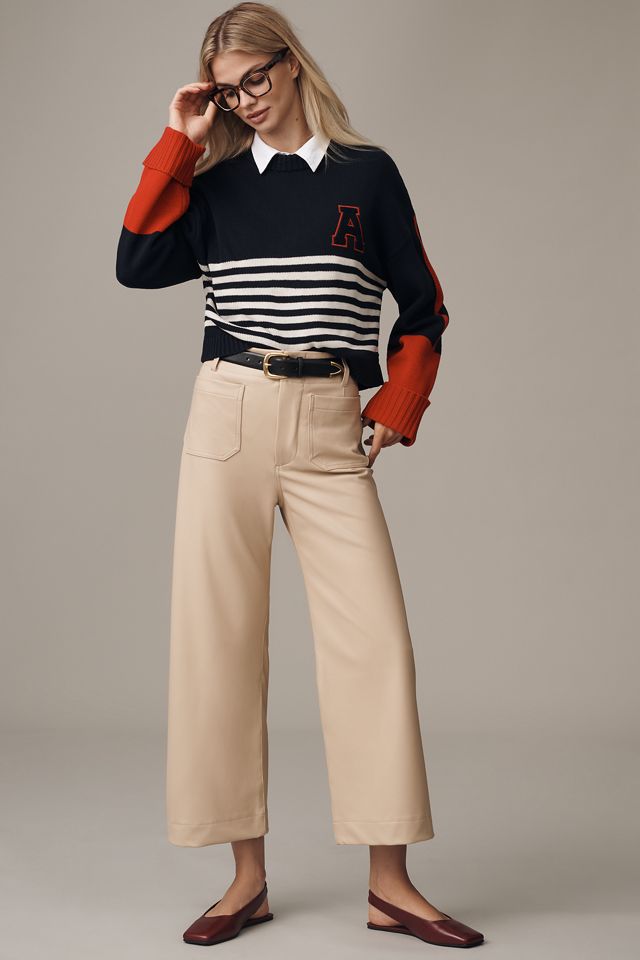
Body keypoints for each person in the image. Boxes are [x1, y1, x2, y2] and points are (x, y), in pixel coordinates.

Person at [116, 1, 484, 949]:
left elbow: (425, 306)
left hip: (328, 420)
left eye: (255, 78)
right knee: (219, 643)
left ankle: (391, 887)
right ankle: (246, 881)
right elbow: (135, 262)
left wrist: (399, 402)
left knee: (375, 647)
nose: (246, 99)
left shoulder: (367, 174)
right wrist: (178, 139)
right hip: (228, 413)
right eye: (226, 90)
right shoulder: (213, 184)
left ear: (290, 65)